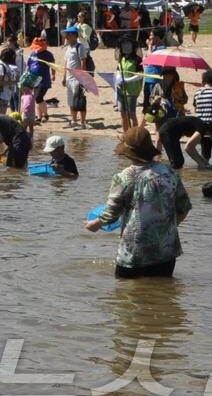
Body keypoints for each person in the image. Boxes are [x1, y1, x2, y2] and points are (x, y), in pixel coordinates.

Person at [85, 127, 191, 278]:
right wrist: (167, 227)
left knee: (124, 296)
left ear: (127, 153)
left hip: (135, 252)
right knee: (162, 296)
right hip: (166, 251)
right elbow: (184, 207)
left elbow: (112, 213)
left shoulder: (123, 177)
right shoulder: (169, 172)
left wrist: (96, 224)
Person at [62, 26, 90, 128]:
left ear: (74, 35)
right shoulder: (68, 47)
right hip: (69, 78)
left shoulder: (80, 47)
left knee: (81, 101)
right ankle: (73, 120)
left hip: (78, 79)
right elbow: (66, 63)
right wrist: (64, 77)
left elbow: (83, 62)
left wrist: (83, 79)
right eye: (66, 35)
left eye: (68, 35)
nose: (66, 37)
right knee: (70, 100)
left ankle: (82, 122)